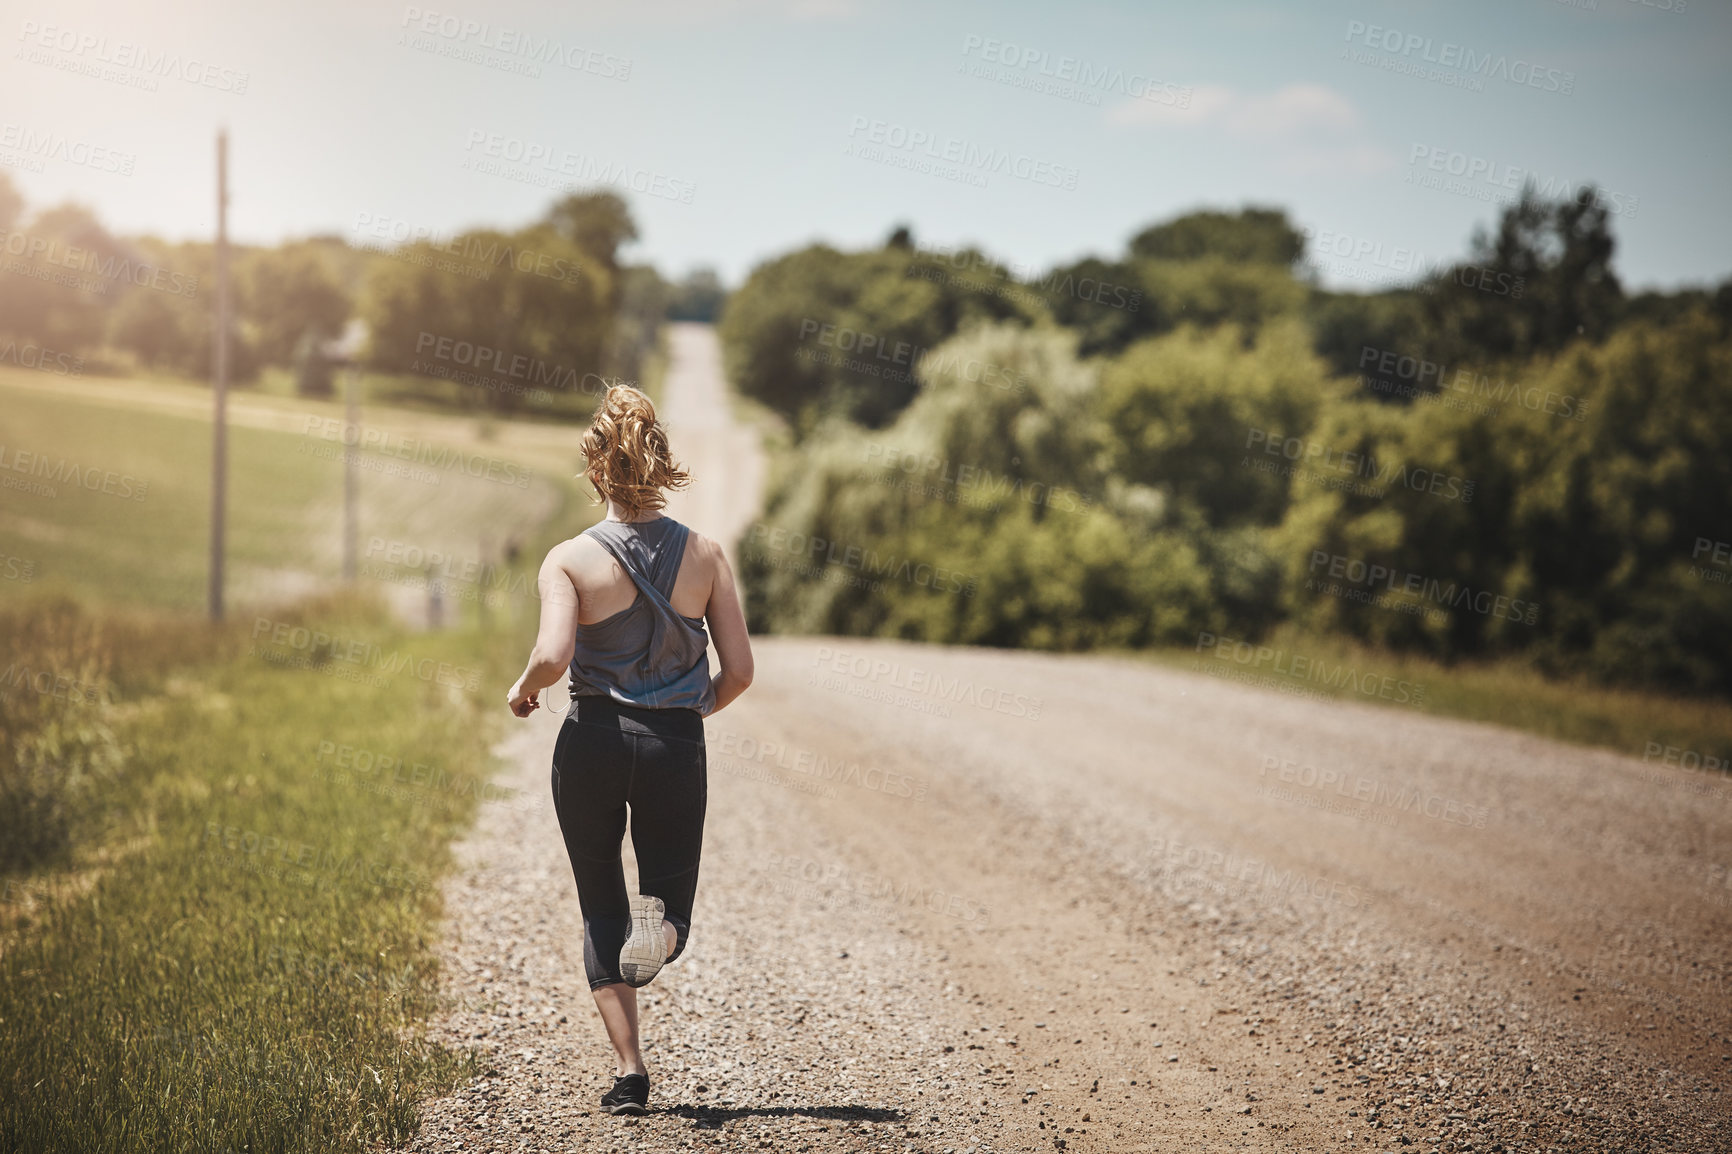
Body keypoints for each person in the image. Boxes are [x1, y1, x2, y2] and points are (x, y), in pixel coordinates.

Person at [506, 384, 754, 1116]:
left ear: (595, 471)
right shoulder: (706, 555)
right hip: (675, 742)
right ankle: (667, 933)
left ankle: (629, 1075)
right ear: (663, 465)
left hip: (592, 740)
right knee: (664, 900)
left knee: (598, 905)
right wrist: (695, 703)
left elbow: (553, 655)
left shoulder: (569, 559)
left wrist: (522, 689)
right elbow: (739, 670)